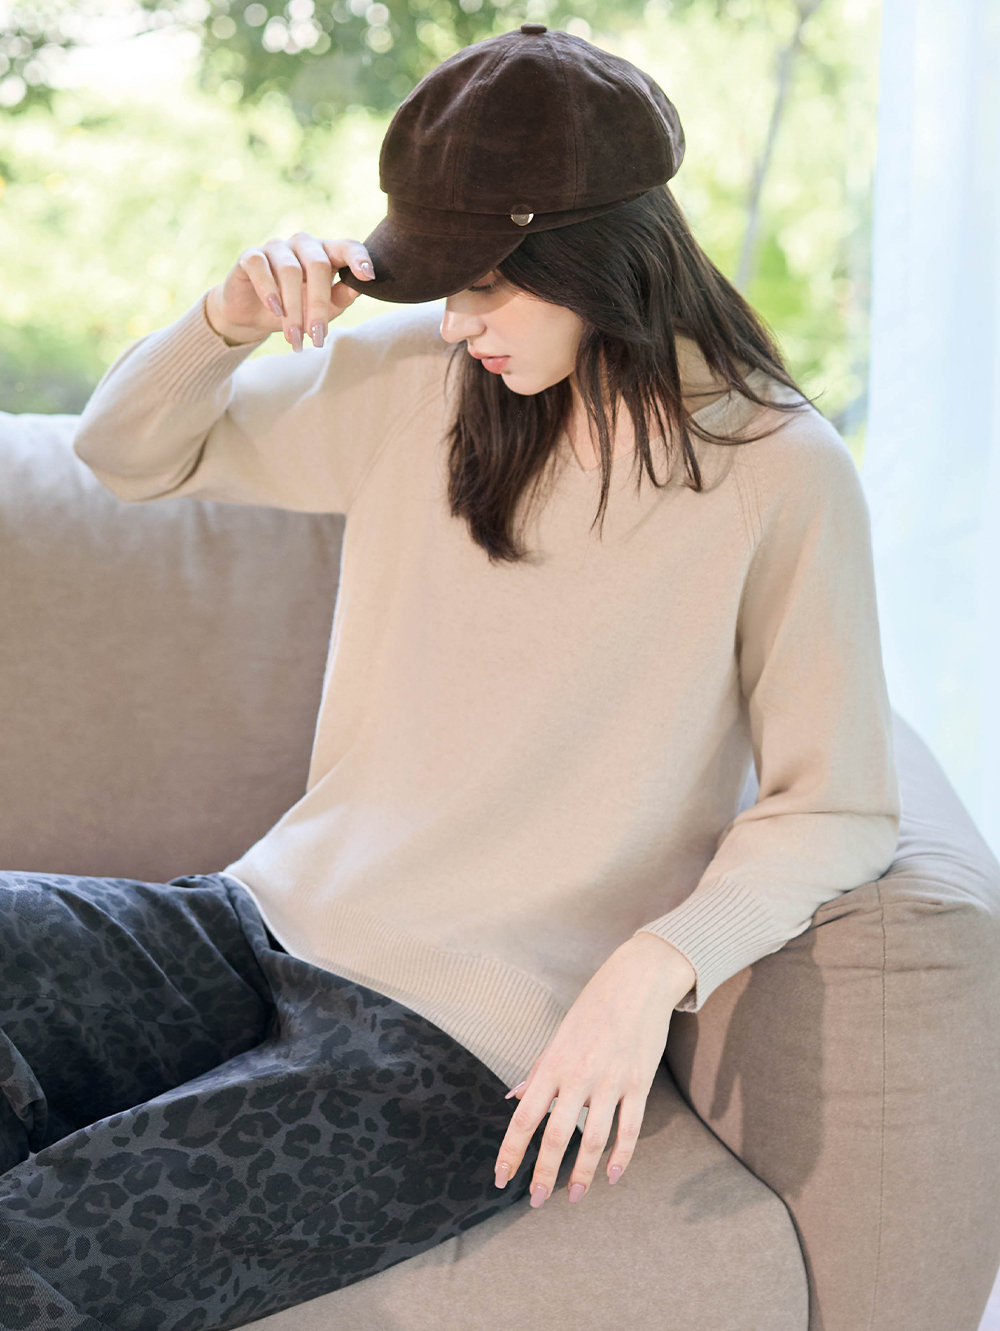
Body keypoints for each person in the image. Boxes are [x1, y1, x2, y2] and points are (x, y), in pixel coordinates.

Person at [0, 24, 900, 1331]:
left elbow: (839, 806)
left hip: (458, 1047)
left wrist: (653, 968)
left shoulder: (779, 470)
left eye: (485, 283)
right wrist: (226, 320)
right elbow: (127, 454)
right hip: (266, 922)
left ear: (599, 255)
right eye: (441, 283)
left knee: (37, 1257)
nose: (461, 318)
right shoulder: (420, 380)